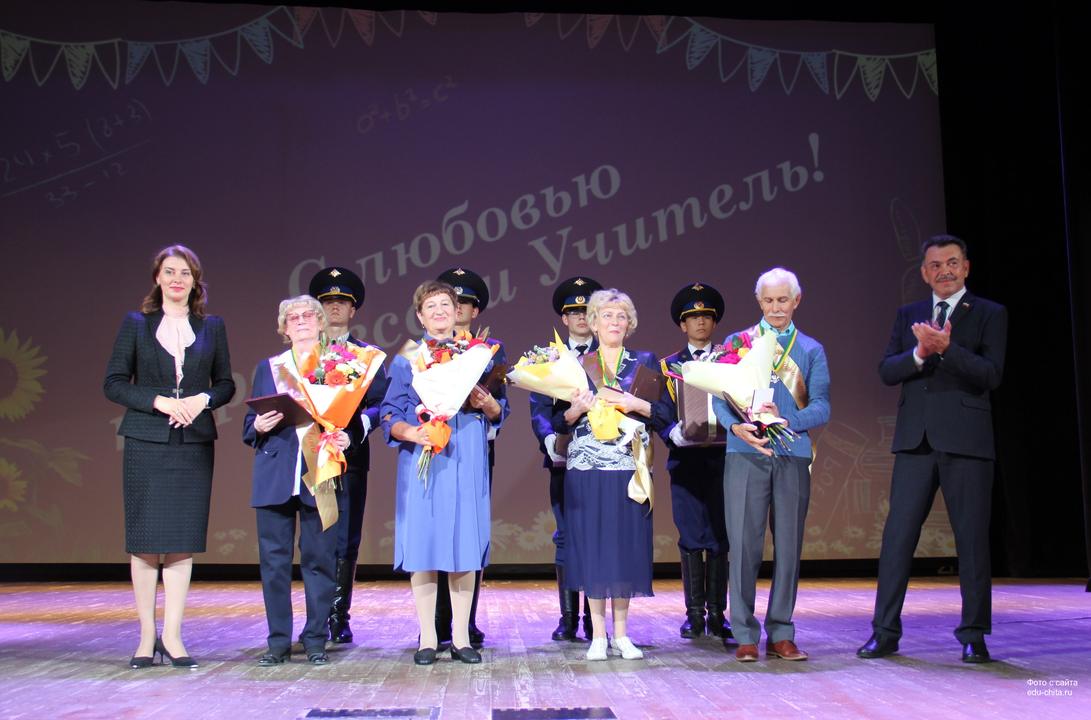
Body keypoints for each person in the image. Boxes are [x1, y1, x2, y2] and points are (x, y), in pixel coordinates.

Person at [857, 235, 1007, 664]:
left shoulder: (990, 313)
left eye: (952, 263)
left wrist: (947, 349)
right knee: (897, 539)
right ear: (924, 273)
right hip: (915, 442)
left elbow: (991, 374)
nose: (945, 271)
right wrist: (920, 354)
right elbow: (887, 370)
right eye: (936, 265)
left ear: (966, 267)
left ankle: (974, 635)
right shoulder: (910, 315)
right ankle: (884, 632)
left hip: (967, 442)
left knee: (972, 542)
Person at [103, 244, 235, 669]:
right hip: (146, 441)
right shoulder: (136, 324)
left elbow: (226, 384)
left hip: (193, 443)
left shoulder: (212, 327)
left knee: (181, 542)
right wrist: (158, 401)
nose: (178, 279)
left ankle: (174, 636)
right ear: (157, 278)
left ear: (195, 282)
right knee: (144, 543)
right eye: (170, 271)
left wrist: (202, 400)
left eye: (185, 273)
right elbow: (114, 383)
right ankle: (146, 637)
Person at [381, 280, 508, 665]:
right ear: (420, 316)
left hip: (466, 450)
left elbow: (500, 411)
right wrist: (411, 432)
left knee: (464, 543)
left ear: (457, 312)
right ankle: (427, 638)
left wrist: (488, 404)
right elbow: (390, 412)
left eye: (445, 305)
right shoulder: (407, 356)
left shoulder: (479, 354)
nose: (439, 312)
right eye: (430, 306)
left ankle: (461, 638)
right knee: (423, 544)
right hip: (424, 453)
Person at [711, 267, 830, 663]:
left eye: (783, 300)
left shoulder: (810, 349)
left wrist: (786, 420)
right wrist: (735, 427)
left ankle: (781, 632)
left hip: (792, 454)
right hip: (745, 453)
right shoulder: (738, 343)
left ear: (797, 300)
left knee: (789, 546)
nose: (776, 307)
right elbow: (719, 399)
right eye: (768, 300)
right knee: (744, 546)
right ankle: (745, 633)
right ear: (758, 301)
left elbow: (822, 407)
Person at [243, 296, 351, 666]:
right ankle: (277, 641)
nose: (301, 321)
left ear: (321, 323)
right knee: (274, 564)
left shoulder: (339, 364)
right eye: (293, 317)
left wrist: (346, 436)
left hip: (320, 471)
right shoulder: (269, 367)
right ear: (284, 328)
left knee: (319, 559)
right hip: (275, 475)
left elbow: (349, 415)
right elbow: (249, 426)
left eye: (308, 315)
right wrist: (258, 425)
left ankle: (316, 639)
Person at [553, 288, 658, 662]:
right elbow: (558, 421)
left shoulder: (644, 362)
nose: (614, 322)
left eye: (621, 316)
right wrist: (574, 411)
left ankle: (623, 634)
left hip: (629, 467)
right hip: (586, 468)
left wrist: (634, 403)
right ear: (593, 323)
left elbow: (664, 414)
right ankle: (598, 635)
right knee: (593, 547)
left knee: (624, 547)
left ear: (630, 324)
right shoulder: (575, 366)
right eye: (607, 316)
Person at [307, 267, 389, 644]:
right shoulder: (303, 353)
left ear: (353, 310)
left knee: (346, 537)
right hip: (310, 456)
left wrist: (354, 431)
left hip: (350, 455)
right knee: (315, 536)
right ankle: (315, 616)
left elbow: (380, 404)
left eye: (342, 302)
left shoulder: (366, 356)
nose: (335, 307)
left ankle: (339, 615)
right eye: (328, 301)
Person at [431, 267, 508, 648]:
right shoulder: (424, 350)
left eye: (465, 303)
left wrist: (490, 408)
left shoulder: (491, 350)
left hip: (476, 448)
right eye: (452, 301)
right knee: (436, 530)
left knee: (470, 533)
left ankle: (467, 621)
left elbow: (502, 406)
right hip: (434, 447)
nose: (458, 308)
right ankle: (435, 624)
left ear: (475, 311)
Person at [652, 282, 733, 643]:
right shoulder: (668, 366)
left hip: (723, 460)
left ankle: (718, 614)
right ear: (682, 325)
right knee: (690, 536)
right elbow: (659, 411)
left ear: (714, 322)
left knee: (719, 537)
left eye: (707, 317)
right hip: (685, 462)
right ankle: (694, 615)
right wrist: (671, 433)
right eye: (693, 318)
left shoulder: (731, 361)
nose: (700, 322)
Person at [530, 276, 602, 641]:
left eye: (586, 311)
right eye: (573, 312)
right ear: (564, 318)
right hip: (564, 459)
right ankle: (569, 618)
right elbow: (539, 410)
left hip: (604, 461)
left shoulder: (610, 354)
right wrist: (551, 441)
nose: (580, 317)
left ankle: (595, 620)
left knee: (598, 537)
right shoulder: (550, 358)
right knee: (567, 537)